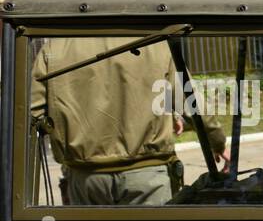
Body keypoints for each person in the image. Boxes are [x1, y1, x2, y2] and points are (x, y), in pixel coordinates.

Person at [30, 36, 228, 206]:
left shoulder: (54, 49)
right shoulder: (155, 43)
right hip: (147, 175)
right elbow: (192, 103)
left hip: (85, 176)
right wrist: (217, 142)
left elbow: (33, 114)